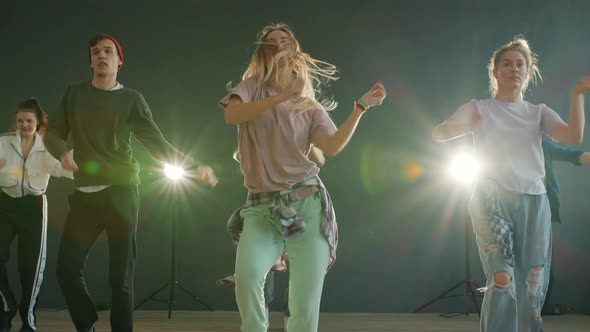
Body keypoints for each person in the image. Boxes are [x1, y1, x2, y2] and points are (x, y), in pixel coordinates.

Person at [42, 33, 217, 332]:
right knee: (66, 269)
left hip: (121, 193)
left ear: (119, 61)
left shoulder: (131, 99)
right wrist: (61, 153)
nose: (101, 56)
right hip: (84, 196)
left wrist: (193, 166)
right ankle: (86, 324)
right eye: (95, 52)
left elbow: (155, 141)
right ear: (90, 61)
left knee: (120, 277)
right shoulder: (74, 94)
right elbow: (52, 133)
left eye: (108, 51)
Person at [219, 22, 386, 332]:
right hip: (260, 208)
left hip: (307, 204)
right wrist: (281, 96)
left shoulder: (308, 106)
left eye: (286, 39)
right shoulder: (252, 87)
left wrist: (362, 106)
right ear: (265, 53)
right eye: (272, 42)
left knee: (304, 303)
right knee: (247, 277)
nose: (280, 43)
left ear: (294, 51)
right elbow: (232, 116)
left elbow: (333, 146)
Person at [432, 36, 589, 331]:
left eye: (520, 64)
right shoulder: (479, 107)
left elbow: (573, 137)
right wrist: (467, 126)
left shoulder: (538, 112)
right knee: (502, 278)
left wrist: (578, 96)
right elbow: (439, 133)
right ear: (495, 71)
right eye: (506, 64)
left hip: (534, 200)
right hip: (490, 197)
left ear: (527, 72)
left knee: (532, 281)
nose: (513, 69)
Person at [0, 97, 73, 332]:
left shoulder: (46, 147)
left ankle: (28, 321)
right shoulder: (3, 142)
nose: (24, 125)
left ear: (38, 122)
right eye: (20, 120)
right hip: (5, 204)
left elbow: (61, 168)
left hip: (33, 206)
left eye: (29, 120)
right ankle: (5, 305)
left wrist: (73, 164)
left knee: (31, 267)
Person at [540, 137, 590, 315]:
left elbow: (570, 154)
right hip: (508, 207)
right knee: (510, 261)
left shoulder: (543, 143)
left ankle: (536, 309)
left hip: (541, 208)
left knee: (540, 262)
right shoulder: (503, 142)